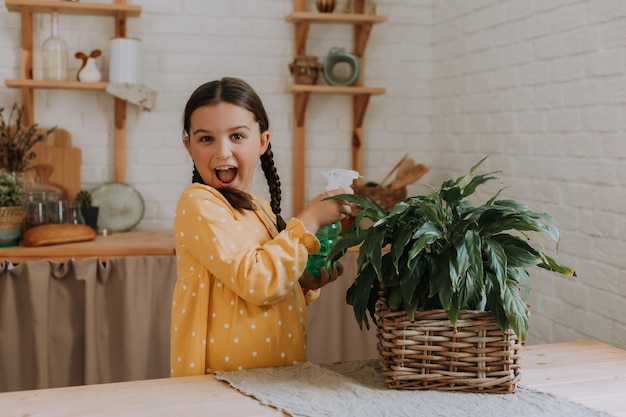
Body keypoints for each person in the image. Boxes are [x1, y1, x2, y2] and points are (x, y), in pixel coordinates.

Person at [170, 77, 353, 376]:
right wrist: (308, 220)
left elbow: (267, 291)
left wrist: (302, 284)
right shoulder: (198, 201)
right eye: (206, 139)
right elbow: (257, 282)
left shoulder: (260, 209)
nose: (222, 152)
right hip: (222, 385)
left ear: (262, 142)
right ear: (189, 146)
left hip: (274, 378)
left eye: (237, 136)